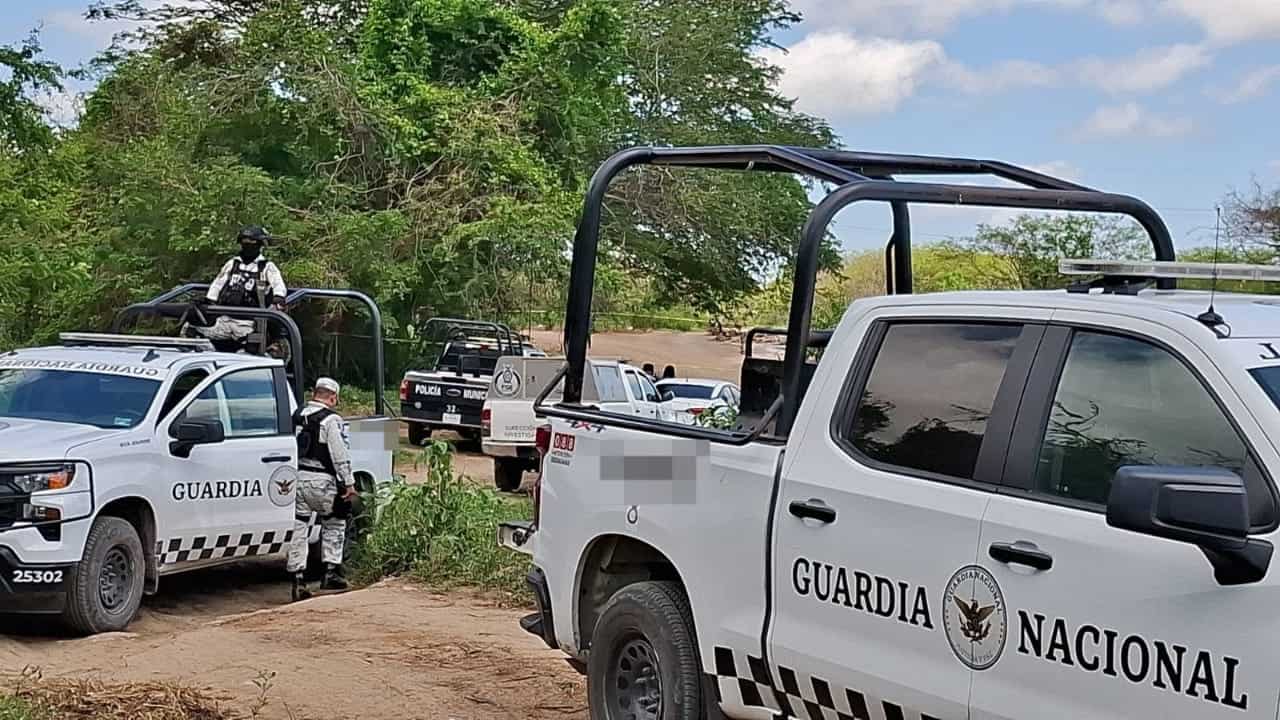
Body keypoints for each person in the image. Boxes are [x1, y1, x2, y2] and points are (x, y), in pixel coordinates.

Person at [287, 377, 356, 601]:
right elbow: (339, 454)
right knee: (335, 522)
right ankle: (330, 573)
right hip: (323, 482)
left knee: (300, 528)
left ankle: (297, 579)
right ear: (332, 397)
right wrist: (349, 483)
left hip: (299, 478)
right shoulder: (331, 420)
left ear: (315, 393)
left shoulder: (297, 415)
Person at [195, 226, 289, 354]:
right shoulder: (233, 264)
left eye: (252, 243)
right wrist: (209, 300)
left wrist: (278, 297)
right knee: (192, 329)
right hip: (225, 319)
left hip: (249, 323)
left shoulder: (266, 267)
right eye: (245, 242)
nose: (248, 246)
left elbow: (278, 284)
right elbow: (218, 283)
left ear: (260, 244)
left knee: (248, 350)